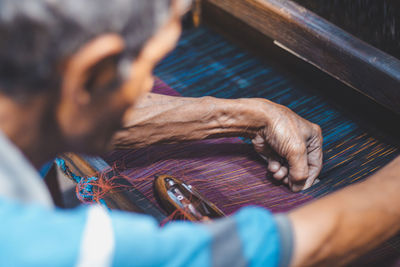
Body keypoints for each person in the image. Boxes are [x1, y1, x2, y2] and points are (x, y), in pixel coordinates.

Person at [0, 0, 399, 266]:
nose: (148, 86)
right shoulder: (44, 250)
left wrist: (248, 115)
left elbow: (75, 110)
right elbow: (290, 246)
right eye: (150, 63)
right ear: (88, 74)